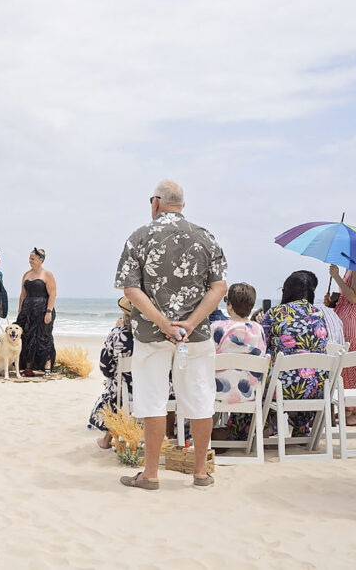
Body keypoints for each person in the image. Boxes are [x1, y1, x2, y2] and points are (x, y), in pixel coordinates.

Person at [115, 179, 227, 490]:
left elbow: (131, 289)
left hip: (152, 334)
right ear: (182, 205)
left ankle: (151, 474)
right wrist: (190, 323)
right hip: (196, 335)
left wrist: (164, 323)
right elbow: (219, 288)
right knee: (201, 398)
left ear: (155, 203)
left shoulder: (139, 237)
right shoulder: (206, 237)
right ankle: (200, 472)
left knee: (152, 400)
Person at [230, 271, 329, 441]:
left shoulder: (277, 313)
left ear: (287, 291)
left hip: (282, 387)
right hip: (315, 387)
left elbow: (260, 346)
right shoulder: (319, 315)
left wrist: (258, 323)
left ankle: (251, 428)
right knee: (301, 374)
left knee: (252, 378)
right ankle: (300, 427)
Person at [328, 264, 356, 425]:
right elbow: (346, 295)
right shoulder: (351, 268)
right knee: (345, 368)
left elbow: (354, 297)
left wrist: (336, 277)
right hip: (344, 321)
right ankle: (347, 408)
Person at [89, 297, 134, 447]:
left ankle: (106, 440)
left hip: (128, 392)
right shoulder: (160, 336)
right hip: (161, 390)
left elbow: (106, 367)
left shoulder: (117, 334)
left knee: (114, 390)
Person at [211, 283, 266, 405]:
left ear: (229, 305)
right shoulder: (258, 329)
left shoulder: (216, 327)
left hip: (216, 393)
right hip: (249, 394)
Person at [16, 247, 57, 377]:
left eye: (32, 258)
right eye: (29, 258)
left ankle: (47, 368)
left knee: (44, 337)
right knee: (26, 337)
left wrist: (48, 312)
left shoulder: (47, 274)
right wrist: (20, 311)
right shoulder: (26, 274)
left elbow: (53, 294)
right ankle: (28, 368)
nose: (30, 261)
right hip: (27, 310)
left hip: (43, 309)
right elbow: (22, 295)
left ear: (41, 259)